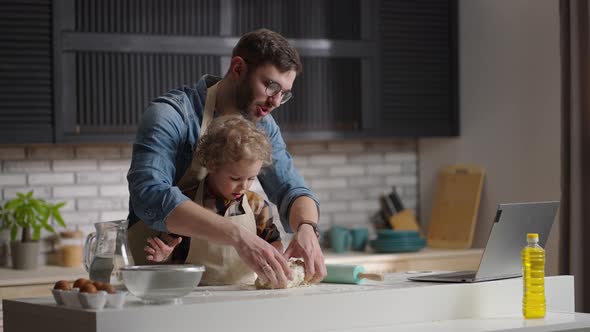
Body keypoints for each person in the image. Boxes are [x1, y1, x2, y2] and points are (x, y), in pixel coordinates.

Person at [127, 28, 326, 289]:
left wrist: (307, 228)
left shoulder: (263, 126)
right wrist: (238, 236)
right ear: (238, 68)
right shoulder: (172, 114)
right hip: (158, 284)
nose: (276, 101)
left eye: (284, 93)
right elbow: (150, 195)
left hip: (230, 287)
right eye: (271, 85)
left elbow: (291, 187)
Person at [143, 115, 284, 285]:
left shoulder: (257, 206)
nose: (243, 187)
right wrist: (164, 256)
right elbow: (170, 252)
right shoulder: (187, 203)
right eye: (235, 178)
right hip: (196, 294)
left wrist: (274, 259)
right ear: (211, 165)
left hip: (245, 292)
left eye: (251, 178)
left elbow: (274, 242)